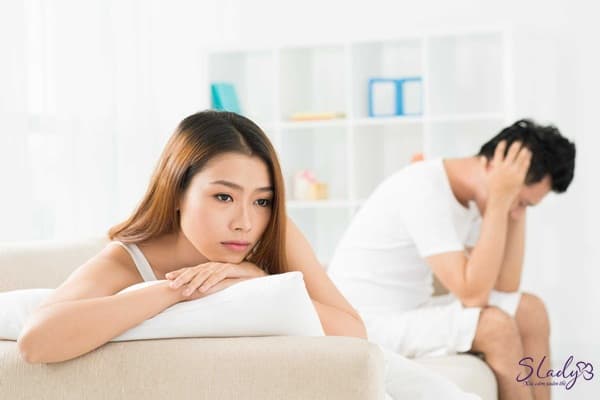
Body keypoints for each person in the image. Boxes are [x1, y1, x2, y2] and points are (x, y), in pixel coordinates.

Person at [17, 110, 480, 399]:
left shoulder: (273, 234)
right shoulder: (126, 259)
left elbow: (352, 332)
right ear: (177, 192)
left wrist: (258, 283)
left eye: (261, 200)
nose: (245, 221)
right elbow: (37, 340)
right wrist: (177, 291)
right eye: (223, 197)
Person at [328, 119, 576, 400]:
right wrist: (501, 199)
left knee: (531, 311)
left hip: (409, 312)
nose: (516, 212)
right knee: (494, 326)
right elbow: (473, 295)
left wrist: (514, 207)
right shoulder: (423, 187)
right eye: (520, 202)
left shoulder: (471, 198)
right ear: (493, 167)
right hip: (367, 325)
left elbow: (506, 286)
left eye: (526, 206)